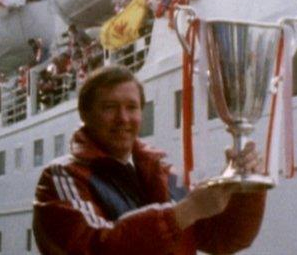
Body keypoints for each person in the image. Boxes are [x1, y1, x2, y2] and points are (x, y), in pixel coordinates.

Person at [33, 65, 267, 254]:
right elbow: (95, 246)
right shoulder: (62, 176)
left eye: (131, 107)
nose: (123, 118)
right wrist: (185, 212)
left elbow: (224, 239)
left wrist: (243, 187)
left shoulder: (161, 172)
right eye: (109, 107)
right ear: (85, 115)